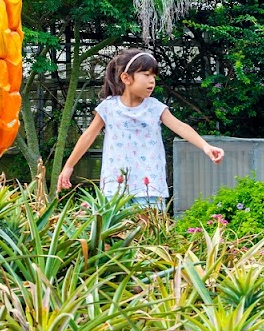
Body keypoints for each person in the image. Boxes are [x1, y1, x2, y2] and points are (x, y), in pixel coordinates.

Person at [56, 48, 224, 210]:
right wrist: (69, 166)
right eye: (146, 75)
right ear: (126, 78)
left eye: (154, 76)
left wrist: (205, 146)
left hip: (149, 187)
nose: (152, 80)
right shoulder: (109, 107)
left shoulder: (154, 108)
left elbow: (180, 127)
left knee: (148, 236)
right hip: (115, 187)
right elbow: (88, 135)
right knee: (115, 236)